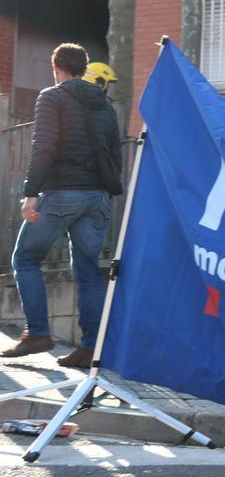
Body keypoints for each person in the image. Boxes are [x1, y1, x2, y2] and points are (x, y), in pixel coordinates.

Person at [2, 44, 121, 368]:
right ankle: (90, 347)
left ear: (56, 67)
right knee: (87, 271)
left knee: (25, 257)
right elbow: (114, 152)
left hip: (62, 194)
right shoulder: (106, 105)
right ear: (85, 68)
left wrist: (31, 193)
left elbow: (43, 146)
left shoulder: (52, 97)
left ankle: (38, 333)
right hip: (97, 197)